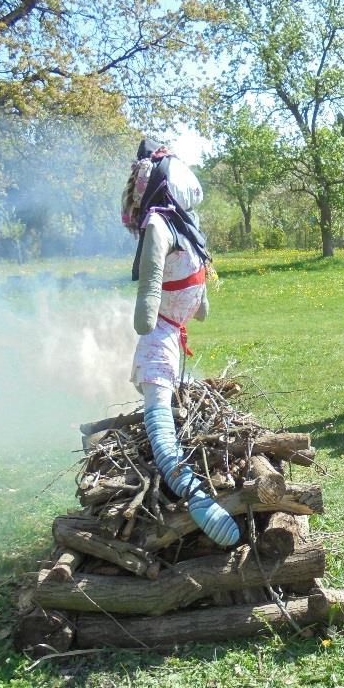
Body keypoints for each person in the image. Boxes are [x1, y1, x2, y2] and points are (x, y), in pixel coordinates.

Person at [121, 139, 239, 547]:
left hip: (173, 335)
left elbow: (198, 297)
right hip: (158, 340)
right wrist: (154, 314)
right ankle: (196, 499)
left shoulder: (183, 226)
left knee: (169, 418)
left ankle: (194, 493)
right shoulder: (158, 225)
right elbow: (148, 299)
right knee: (161, 434)